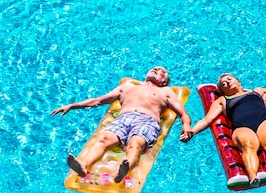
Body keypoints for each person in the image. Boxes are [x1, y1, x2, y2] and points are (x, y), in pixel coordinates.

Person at [52, 66, 193, 183]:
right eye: (155, 68)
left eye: (162, 71)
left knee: (135, 144)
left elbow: (183, 114)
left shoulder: (165, 91)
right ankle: (84, 166)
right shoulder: (127, 87)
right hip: (122, 119)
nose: (157, 69)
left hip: (147, 121)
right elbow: (98, 101)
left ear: (164, 82)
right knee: (103, 139)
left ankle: (124, 169)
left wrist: (186, 125)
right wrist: (72, 106)